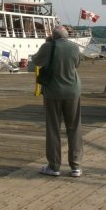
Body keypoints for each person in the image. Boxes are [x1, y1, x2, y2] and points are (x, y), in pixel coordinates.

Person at [33, 25, 83, 177]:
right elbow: (77, 64)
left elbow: (36, 61)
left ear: (53, 36)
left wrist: (48, 43)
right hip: (73, 91)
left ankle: (54, 166)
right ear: (66, 36)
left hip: (53, 92)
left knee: (53, 129)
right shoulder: (74, 47)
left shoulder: (48, 46)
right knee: (74, 127)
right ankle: (76, 166)